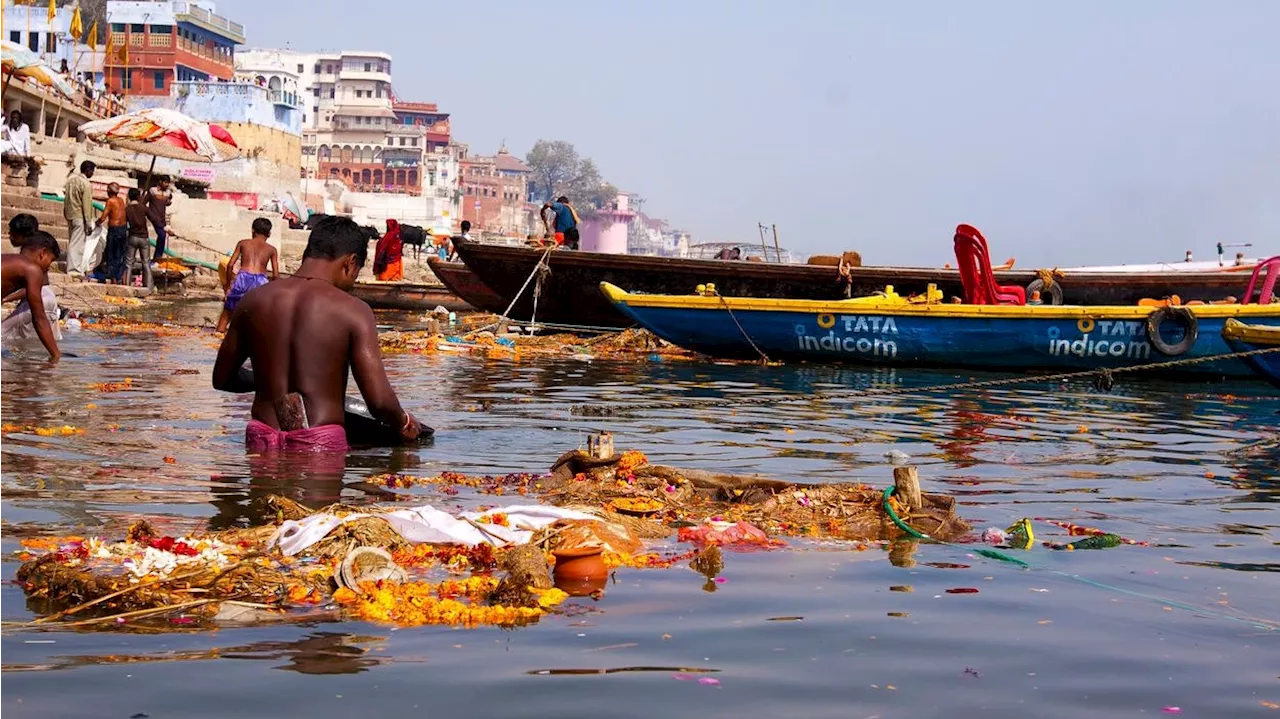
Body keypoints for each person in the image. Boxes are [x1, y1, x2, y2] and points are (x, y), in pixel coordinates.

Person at [212, 216, 421, 451]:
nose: (352, 282)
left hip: (262, 438)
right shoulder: (353, 311)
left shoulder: (253, 301)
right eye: (355, 274)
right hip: (319, 445)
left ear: (307, 253)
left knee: (263, 487)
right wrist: (404, 422)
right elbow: (379, 401)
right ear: (350, 263)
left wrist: (266, 378)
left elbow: (222, 378)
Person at [0, 232, 62, 358]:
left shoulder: (10, 260)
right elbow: (39, 318)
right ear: (43, 253)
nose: (48, 267)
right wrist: (56, 356)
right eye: (51, 261)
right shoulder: (32, 270)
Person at [216, 218, 279, 333]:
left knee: (227, 314)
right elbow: (275, 275)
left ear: (252, 231)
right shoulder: (272, 250)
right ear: (269, 234)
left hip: (242, 278)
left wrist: (228, 285)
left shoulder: (243, 243)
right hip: (261, 282)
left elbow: (230, 265)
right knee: (257, 317)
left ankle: (218, 335)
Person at [64, 160, 95, 276]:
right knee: (76, 244)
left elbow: (66, 199)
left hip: (70, 214)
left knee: (73, 240)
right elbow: (87, 205)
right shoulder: (86, 184)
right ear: (88, 171)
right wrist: (88, 222)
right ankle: (73, 270)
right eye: (92, 171)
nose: (92, 174)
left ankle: (73, 267)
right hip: (79, 216)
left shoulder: (70, 181)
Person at [97, 182, 128, 284]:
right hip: (123, 229)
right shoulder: (121, 200)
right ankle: (118, 277)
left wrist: (96, 223)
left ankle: (113, 278)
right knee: (119, 254)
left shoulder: (110, 201)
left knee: (111, 253)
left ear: (109, 191)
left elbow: (103, 217)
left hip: (114, 229)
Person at [124, 188, 153, 290]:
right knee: (146, 263)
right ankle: (148, 287)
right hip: (143, 238)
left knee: (128, 264)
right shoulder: (143, 208)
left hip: (132, 237)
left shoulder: (127, 209)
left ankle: (126, 287)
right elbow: (153, 218)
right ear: (138, 197)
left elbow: (124, 223)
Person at [147, 178, 173, 262]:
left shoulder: (167, 192)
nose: (167, 184)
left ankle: (157, 257)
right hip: (154, 217)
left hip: (162, 218)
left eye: (168, 183)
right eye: (165, 182)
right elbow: (144, 201)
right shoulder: (153, 190)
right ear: (160, 182)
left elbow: (168, 200)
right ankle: (158, 257)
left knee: (162, 237)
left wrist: (168, 202)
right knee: (162, 235)